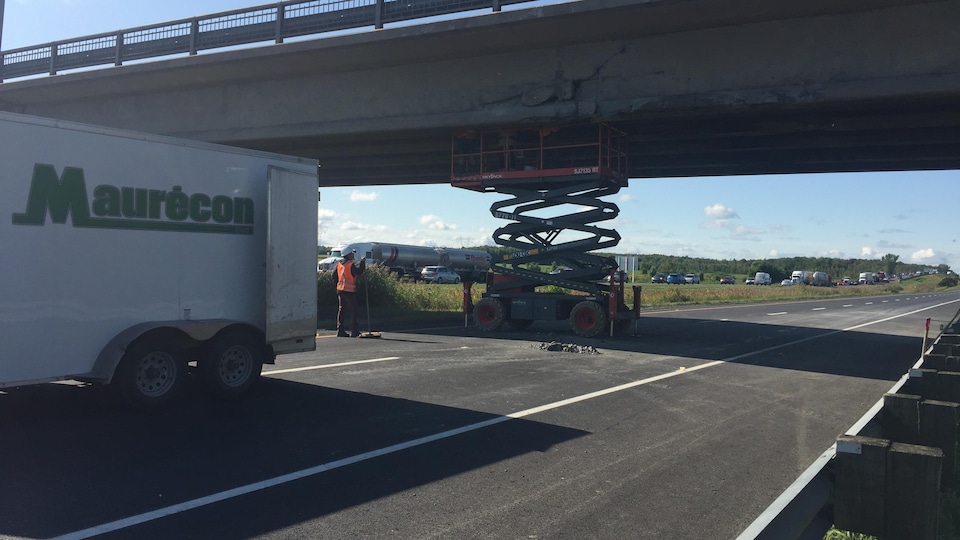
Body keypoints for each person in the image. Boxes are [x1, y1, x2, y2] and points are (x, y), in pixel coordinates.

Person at [336, 251, 366, 337]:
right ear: (348, 254)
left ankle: (340, 330)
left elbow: (334, 276)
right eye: (352, 253)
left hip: (340, 289)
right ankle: (354, 331)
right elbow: (359, 272)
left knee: (342, 309)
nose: (353, 254)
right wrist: (362, 263)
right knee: (354, 310)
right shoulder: (350, 264)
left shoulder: (340, 264)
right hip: (349, 291)